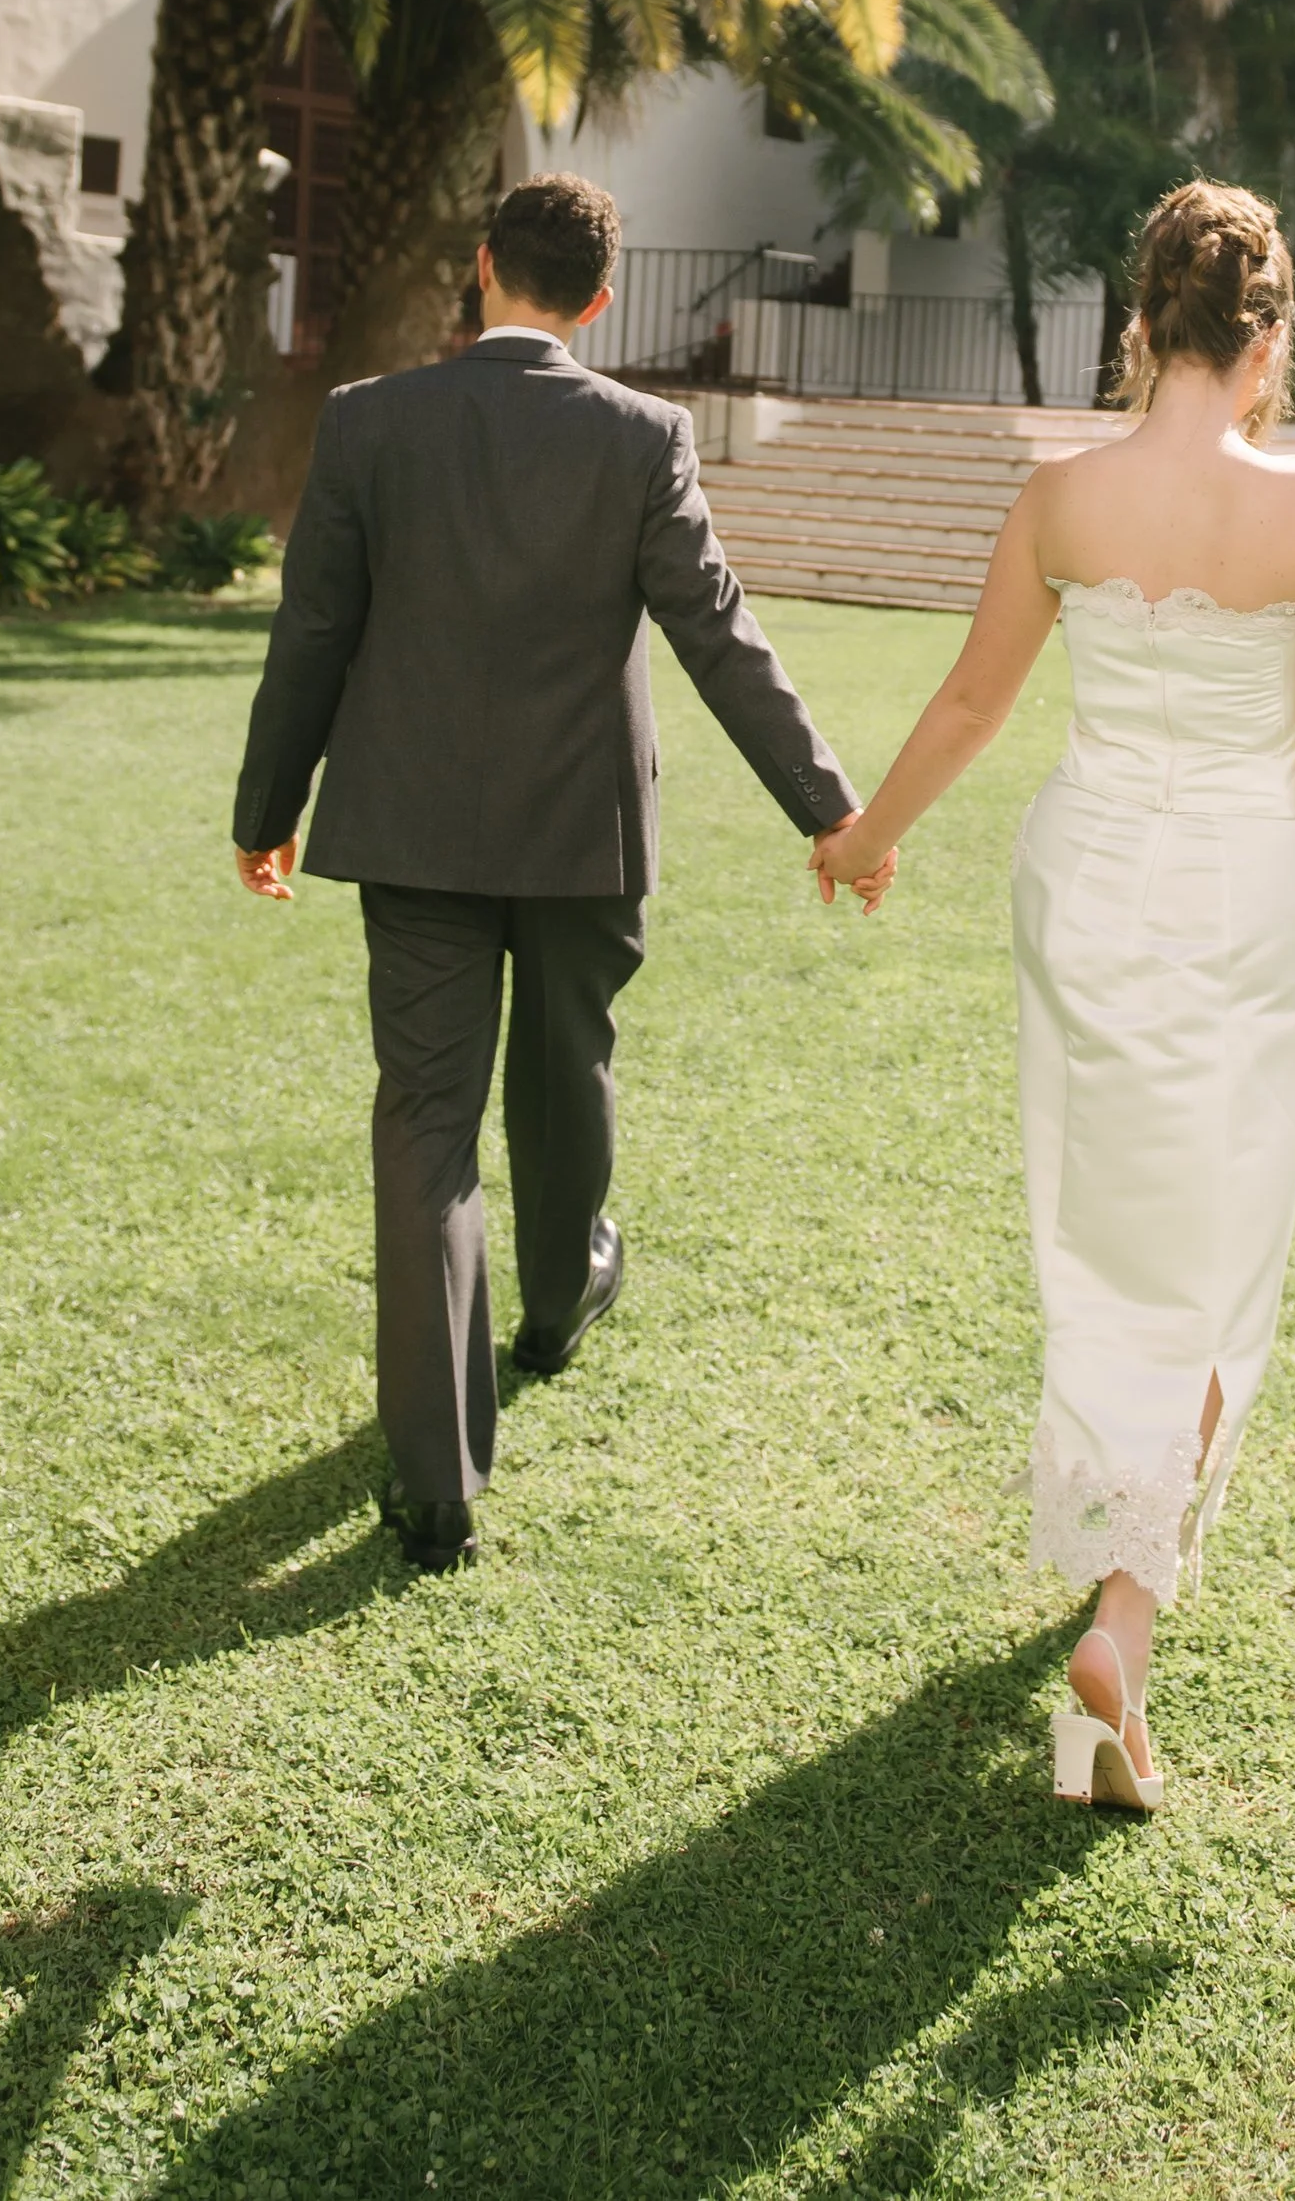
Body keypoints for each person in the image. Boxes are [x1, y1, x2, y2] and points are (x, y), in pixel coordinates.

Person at [813, 181, 1295, 1811]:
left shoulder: (1060, 497)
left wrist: (870, 835)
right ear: (1266, 337)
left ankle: (1119, 1573)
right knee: (1222, 1265)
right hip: (1244, 899)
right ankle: (1125, 1620)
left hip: (1085, 884)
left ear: (1142, 324)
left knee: (1102, 1239)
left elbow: (970, 699)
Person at [233, 172, 884, 1575]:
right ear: (595, 299)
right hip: (584, 835)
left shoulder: (366, 422)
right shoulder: (644, 435)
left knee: (424, 1123)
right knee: (568, 1064)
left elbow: (313, 631)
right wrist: (828, 808)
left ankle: (438, 1485)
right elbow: (719, 633)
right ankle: (559, 1295)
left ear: (480, 270)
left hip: (410, 829)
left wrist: (265, 808)